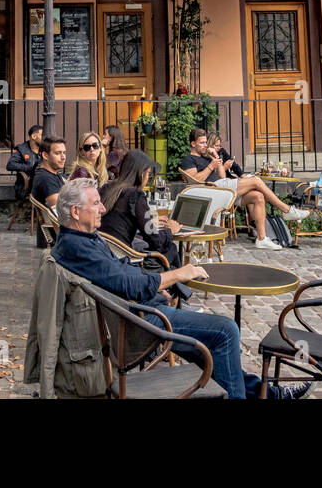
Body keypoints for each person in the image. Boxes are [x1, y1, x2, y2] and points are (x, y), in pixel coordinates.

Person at [51, 178, 308, 399]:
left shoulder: (81, 239)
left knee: (208, 346)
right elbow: (126, 281)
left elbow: (120, 271)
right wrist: (177, 274)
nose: (103, 208)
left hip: (136, 309)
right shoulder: (79, 246)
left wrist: (154, 287)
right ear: (75, 212)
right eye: (95, 203)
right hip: (137, 322)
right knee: (226, 331)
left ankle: (267, 393)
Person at [179, 127, 308, 250]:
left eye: (205, 142)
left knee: (258, 197)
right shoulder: (188, 160)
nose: (205, 145)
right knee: (256, 180)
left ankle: (262, 239)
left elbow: (222, 176)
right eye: (201, 143)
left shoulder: (207, 158)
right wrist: (211, 166)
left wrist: (215, 158)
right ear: (193, 144)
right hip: (212, 191)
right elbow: (195, 181)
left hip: (222, 186)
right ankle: (286, 210)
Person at [99, 149, 182, 268]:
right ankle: (175, 283)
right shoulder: (135, 195)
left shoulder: (107, 188)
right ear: (141, 174)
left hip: (104, 253)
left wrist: (150, 223)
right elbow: (154, 240)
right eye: (148, 174)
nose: (148, 179)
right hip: (124, 260)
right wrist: (170, 231)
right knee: (171, 248)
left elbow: (119, 223)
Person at [31, 136, 68, 209]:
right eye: (58, 153)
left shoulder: (53, 174)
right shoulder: (46, 179)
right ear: (45, 155)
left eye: (64, 153)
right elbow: (61, 209)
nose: (63, 157)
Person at [7, 123, 44, 188]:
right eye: (42, 135)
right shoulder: (21, 149)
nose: (44, 138)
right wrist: (30, 168)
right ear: (33, 136)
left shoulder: (44, 149)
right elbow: (10, 165)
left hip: (43, 181)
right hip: (28, 185)